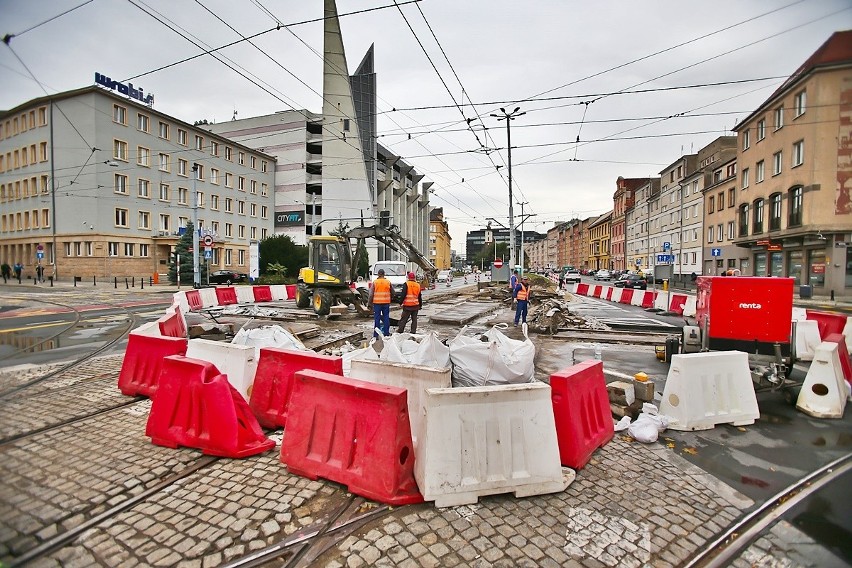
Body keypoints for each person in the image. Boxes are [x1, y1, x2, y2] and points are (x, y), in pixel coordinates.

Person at [368, 268, 392, 337]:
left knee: (377, 318)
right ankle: (386, 333)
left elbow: (371, 294)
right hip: (386, 302)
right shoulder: (388, 282)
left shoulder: (375, 282)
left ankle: (376, 335)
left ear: (378, 274)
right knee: (386, 317)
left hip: (377, 303)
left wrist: (369, 303)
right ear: (384, 274)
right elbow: (393, 292)